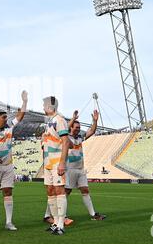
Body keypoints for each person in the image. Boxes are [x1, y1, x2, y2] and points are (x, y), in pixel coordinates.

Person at [0, 90, 28, 231]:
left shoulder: (9, 128)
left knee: (8, 192)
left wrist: (24, 101)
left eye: (6, 117)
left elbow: (20, 116)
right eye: (3, 117)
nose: (6, 119)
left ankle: (9, 222)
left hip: (8, 166)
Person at [64, 110, 106, 221]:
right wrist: (72, 118)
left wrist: (95, 121)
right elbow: (63, 130)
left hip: (80, 169)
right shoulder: (65, 137)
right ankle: (62, 215)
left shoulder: (80, 137)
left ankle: (93, 215)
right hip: (70, 169)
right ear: (71, 127)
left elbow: (92, 131)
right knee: (66, 192)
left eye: (79, 127)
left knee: (85, 190)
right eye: (76, 127)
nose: (78, 129)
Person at [42, 96, 70, 235]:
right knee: (50, 191)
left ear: (49, 107)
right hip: (48, 163)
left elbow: (66, 142)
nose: (42, 107)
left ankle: (61, 225)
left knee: (59, 191)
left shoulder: (60, 120)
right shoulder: (49, 122)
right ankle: (55, 222)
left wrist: (62, 163)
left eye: (44, 105)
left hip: (57, 161)